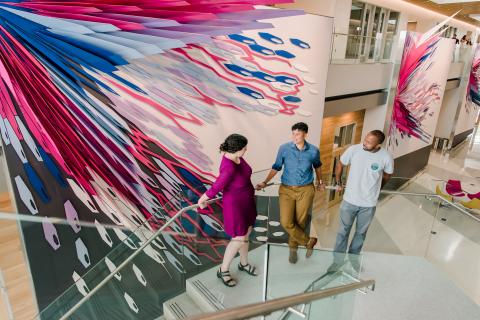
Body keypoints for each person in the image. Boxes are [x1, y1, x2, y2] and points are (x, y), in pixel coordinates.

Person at [256, 122, 324, 264]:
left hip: (306, 189)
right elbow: (276, 167)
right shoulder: (284, 148)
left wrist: (320, 182)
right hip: (286, 190)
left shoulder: (313, 151)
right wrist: (264, 181)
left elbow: (317, 167)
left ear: (305, 134)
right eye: (293, 133)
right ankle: (308, 241)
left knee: (300, 222)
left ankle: (293, 250)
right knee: (286, 221)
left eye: (298, 133)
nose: (295, 136)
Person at [197, 134, 258, 287]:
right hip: (236, 205)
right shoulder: (229, 167)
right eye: (244, 148)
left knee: (246, 234)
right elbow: (217, 185)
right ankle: (223, 270)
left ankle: (243, 263)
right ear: (236, 150)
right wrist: (202, 199)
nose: (246, 150)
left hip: (247, 202)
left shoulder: (235, 156)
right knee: (238, 239)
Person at [332, 130, 393, 265]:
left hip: (368, 204)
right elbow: (340, 164)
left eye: (369, 142)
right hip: (349, 201)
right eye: (365, 139)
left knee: (360, 234)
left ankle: (354, 260)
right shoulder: (354, 150)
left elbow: (388, 174)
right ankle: (337, 262)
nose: (365, 143)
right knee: (343, 232)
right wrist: (338, 182)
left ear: (378, 145)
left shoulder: (386, 157)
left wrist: (378, 188)